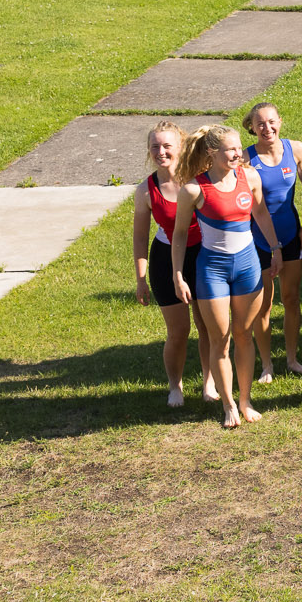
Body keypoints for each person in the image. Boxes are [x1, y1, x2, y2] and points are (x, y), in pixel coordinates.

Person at [170, 124, 285, 430]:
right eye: (230, 149)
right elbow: (180, 235)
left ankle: (245, 400)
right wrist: (178, 274)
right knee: (220, 340)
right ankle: (228, 404)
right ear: (212, 153)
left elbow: (261, 214)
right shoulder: (194, 189)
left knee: (244, 335)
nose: (238, 154)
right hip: (212, 270)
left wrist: (275, 248)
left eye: (238, 148)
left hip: (248, 266)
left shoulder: (250, 177)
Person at [129, 121, 201, 408]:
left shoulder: (198, 179)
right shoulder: (146, 191)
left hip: (203, 256)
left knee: (209, 326)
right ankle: (175, 385)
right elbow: (139, 237)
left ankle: (210, 382)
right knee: (179, 330)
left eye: (167, 146)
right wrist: (140, 279)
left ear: (180, 147)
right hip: (166, 259)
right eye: (155, 147)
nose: (161, 152)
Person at [242, 102, 302, 380]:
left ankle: (292, 358)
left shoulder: (295, 149)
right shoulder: (247, 159)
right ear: (252, 127)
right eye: (260, 124)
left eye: (271, 122)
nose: (267, 128)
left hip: (290, 234)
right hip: (258, 240)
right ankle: (266, 365)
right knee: (264, 304)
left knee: (291, 298)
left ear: (280, 121)